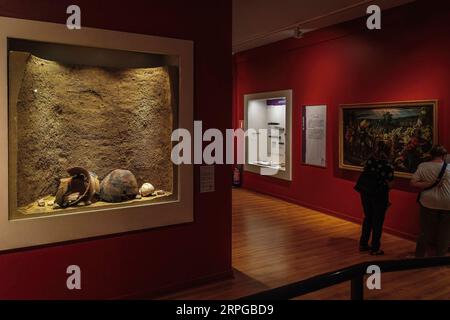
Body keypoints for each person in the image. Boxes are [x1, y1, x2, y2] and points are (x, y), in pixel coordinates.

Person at [355, 140, 394, 255]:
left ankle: (363, 244)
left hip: (365, 192)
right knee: (378, 221)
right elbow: (390, 184)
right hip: (379, 194)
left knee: (368, 218)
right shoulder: (387, 165)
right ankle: (375, 248)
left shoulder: (369, 161)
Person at [411, 145, 450, 257]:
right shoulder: (449, 168)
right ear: (444, 155)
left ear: (431, 154)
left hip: (428, 201)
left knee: (425, 231)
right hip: (447, 202)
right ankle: (440, 257)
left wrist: (426, 184)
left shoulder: (423, 166)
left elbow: (413, 182)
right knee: (445, 231)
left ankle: (419, 255)